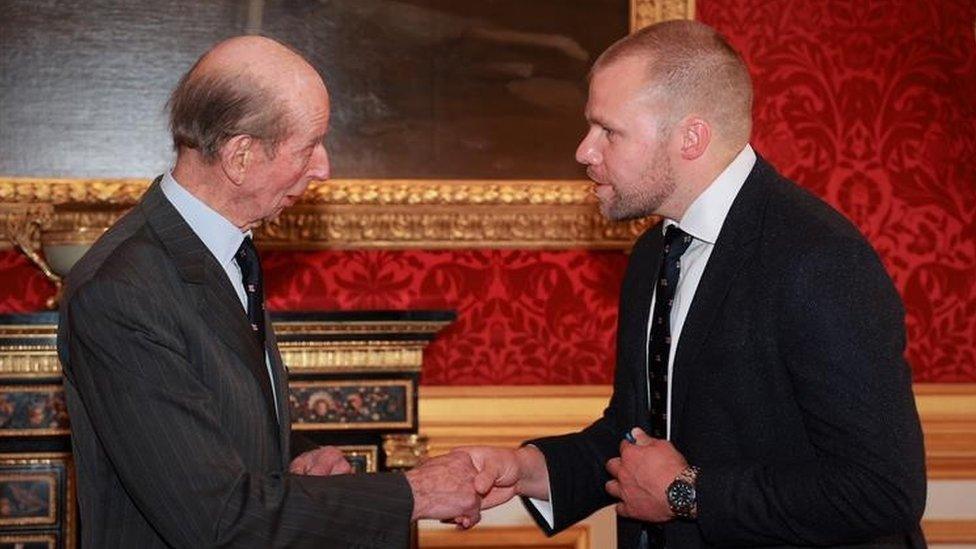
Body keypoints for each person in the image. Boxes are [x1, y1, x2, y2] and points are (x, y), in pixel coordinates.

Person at [460, 20, 926, 548]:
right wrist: (524, 468)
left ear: (691, 137)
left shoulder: (818, 257)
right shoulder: (654, 250)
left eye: (608, 130)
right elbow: (639, 434)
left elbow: (881, 491)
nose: (584, 151)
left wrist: (686, 493)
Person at [57, 35, 483, 548]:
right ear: (241, 156)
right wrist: (414, 493)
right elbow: (214, 520)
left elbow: (206, 424)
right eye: (309, 146)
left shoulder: (222, 248)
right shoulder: (122, 293)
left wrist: (292, 457)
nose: (323, 167)